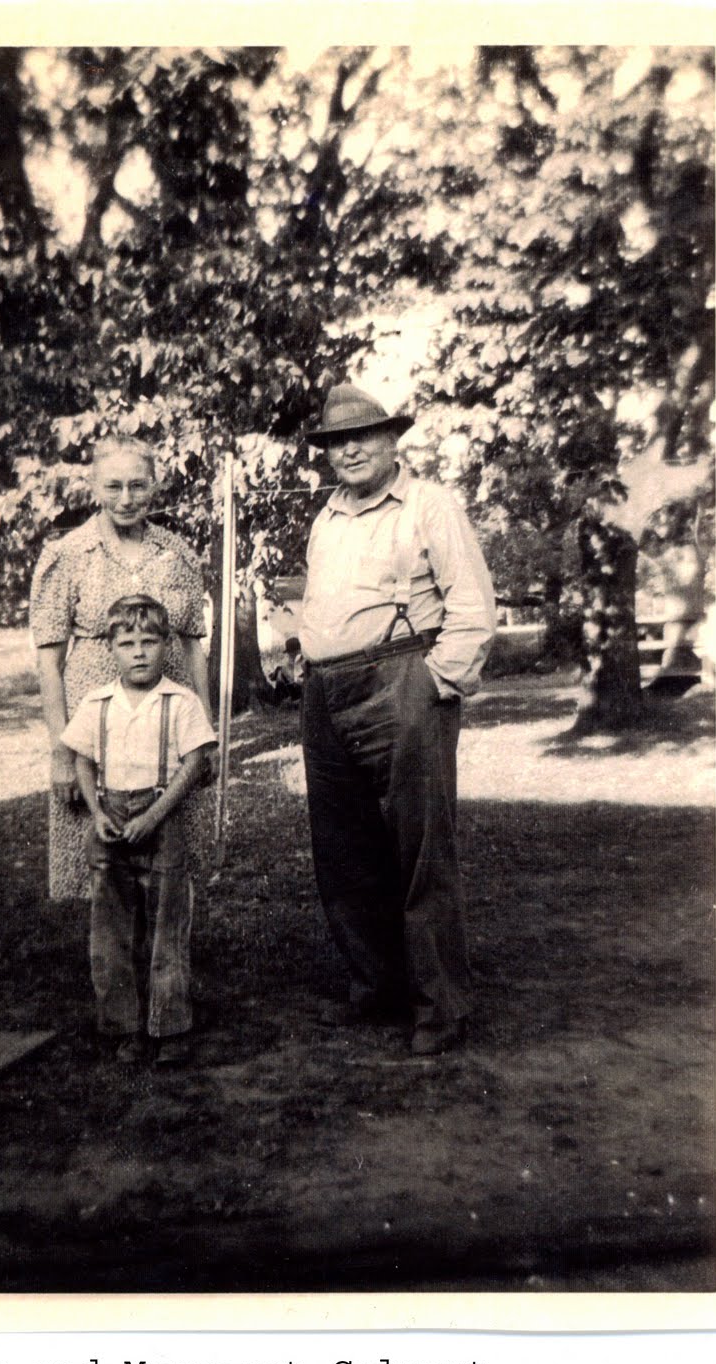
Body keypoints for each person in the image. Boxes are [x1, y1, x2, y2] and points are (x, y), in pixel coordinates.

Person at [298, 382, 497, 1056]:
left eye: (363, 437)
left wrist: (434, 684)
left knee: (419, 849)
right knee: (345, 850)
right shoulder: (326, 517)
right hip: (325, 691)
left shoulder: (429, 505)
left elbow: (472, 604)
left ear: (392, 440)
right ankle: (376, 987)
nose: (349, 450)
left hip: (403, 679)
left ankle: (440, 1005)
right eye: (336, 442)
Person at [30, 435, 214, 901]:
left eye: (137, 485)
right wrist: (62, 753)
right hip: (98, 726)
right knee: (103, 853)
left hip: (169, 719)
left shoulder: (176, 554)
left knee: (168, 849)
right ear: (93, 486)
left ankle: (164, 959)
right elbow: (49, 663)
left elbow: (194, 647)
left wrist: (206, 734)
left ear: (155, 485)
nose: (126, 499)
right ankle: (114, 961)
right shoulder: (67, 555)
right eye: (113, 487)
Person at [60, 594, 217, 1066]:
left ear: (167, 644)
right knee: (111, 931)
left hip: (161, 817)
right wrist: (97, 811)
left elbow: (193, 763)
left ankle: (170, 1028)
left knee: (168, 927)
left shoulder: (180, 701)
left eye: (150, 641)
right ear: (111, 648)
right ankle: (124, 1027)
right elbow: (83, 759)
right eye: (127, 643)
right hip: (109, 820)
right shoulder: (98, 702)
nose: (140, 652)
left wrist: (154, 815)